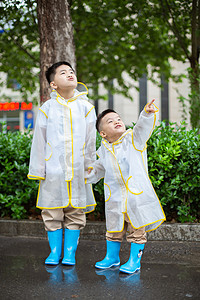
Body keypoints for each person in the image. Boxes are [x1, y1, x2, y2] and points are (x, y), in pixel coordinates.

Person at [28, 61, 97, 266]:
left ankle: (69, 253)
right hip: (54, 171)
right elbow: (39, 141)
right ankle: (54, 252)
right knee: (51, 211)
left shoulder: (86, 107)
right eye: (63, 72)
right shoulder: (47, 108)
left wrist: (89, 167)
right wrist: (39, 169)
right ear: (53, 84)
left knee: (75, 212)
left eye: (72, 71)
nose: (70, 74)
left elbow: (90, 140)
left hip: (77, 170)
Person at [85, 100, 166, 274]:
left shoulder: (133, 140)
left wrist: (146, 114)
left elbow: (142, 129)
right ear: (103, 134)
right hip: (114, 197)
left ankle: (134, 261)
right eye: (110, 121)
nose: (116, 121)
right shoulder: (104, 150)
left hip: (134, 196)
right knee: (113, 228)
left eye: (118, 118)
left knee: (137, 229)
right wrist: (85, 174)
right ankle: (112, 257)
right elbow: (98, 169)